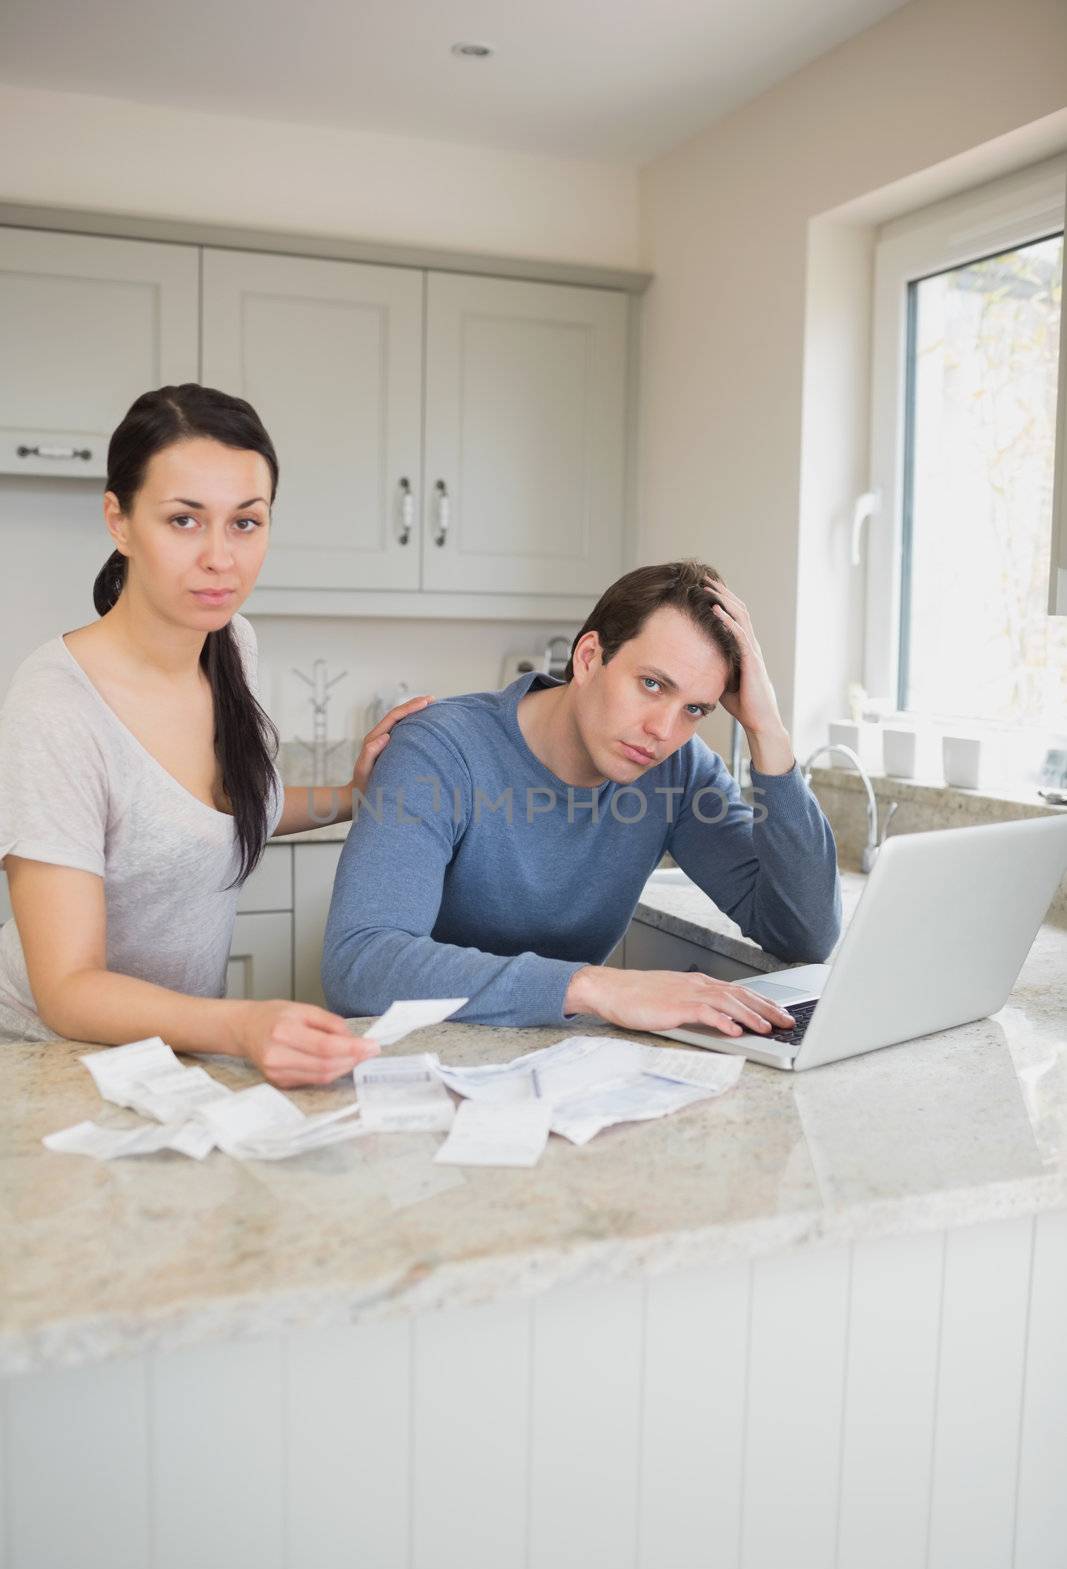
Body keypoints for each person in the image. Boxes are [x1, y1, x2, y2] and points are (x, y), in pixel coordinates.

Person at [0, 384, 428, 1086]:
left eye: (245, 523)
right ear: (120, 520)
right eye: (183, 521)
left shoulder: (230, 642)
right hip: (48, 1061)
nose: (220, 558)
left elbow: (225, 809)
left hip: (174, 1054)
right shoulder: (55, 708)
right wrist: (240, 1024)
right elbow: (68, 987)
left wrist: (352, 794)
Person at [322, 560, 841, 1037]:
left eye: (695, 709)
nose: (662, 729)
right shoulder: (440, 750)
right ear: (589, 657)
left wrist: (767, 728)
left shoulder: (678, 772)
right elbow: (361, 965)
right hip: (421, 1064)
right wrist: (594, 987)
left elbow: (805, 933)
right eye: (652, 684)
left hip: (561, 1067)